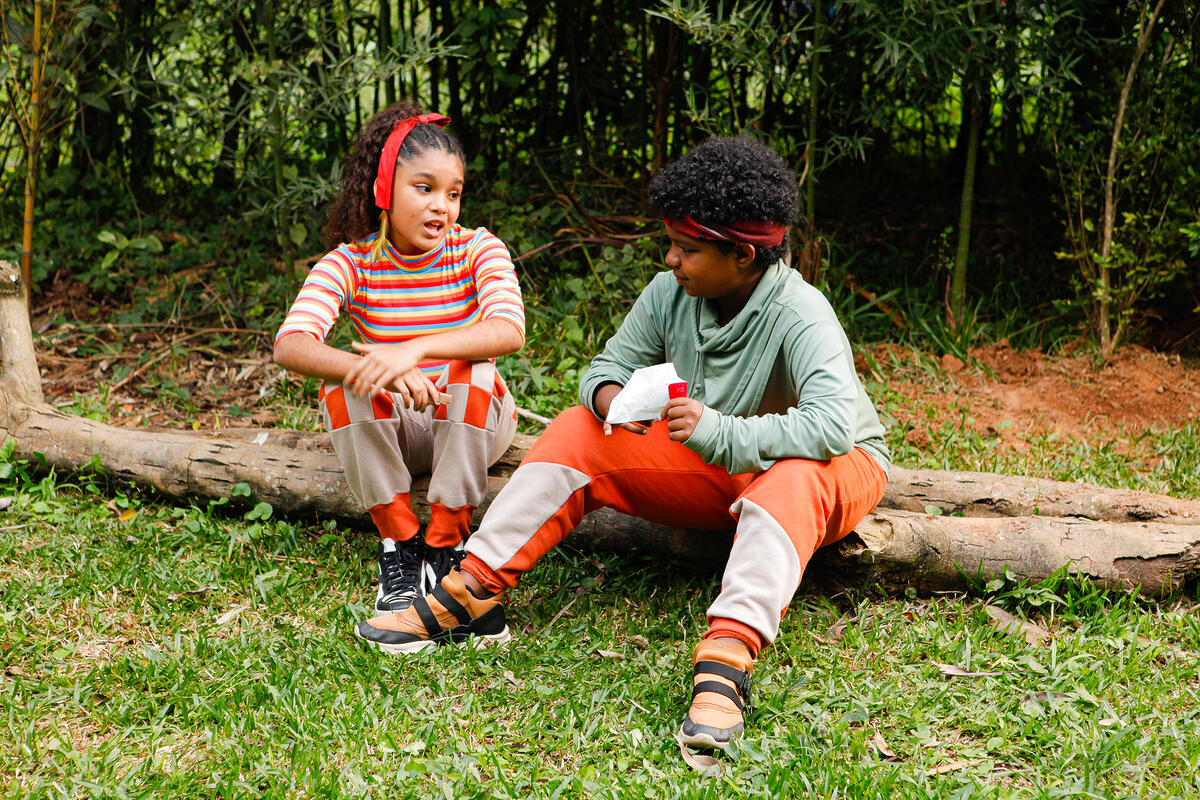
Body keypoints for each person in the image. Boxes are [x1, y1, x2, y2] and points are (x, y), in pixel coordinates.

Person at [353, 136, 889, 751]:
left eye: (686, 249)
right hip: (719, 465)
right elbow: (603, 369)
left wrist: (720, 431)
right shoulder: (671, 295)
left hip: (827, 467)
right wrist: (614, 403)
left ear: (742, 254)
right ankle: (473, 589)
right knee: (579, 428)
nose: (671, 260)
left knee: (793, 477)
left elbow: (831, 427)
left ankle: (726, 661)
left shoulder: (801, 312)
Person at [274, 101, 525, 615]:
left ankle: (447, 541)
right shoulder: (350, 261)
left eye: (453, 194)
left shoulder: (478, 248)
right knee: (345, 381)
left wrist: (413, 349)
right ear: (384, 189)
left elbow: (509, 330)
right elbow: (291, 344)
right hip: (399, 432)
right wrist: (376, 371)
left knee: (473, 368)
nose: (442, 207)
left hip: (473, 424)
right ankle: (402, 545)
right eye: (424, 188)